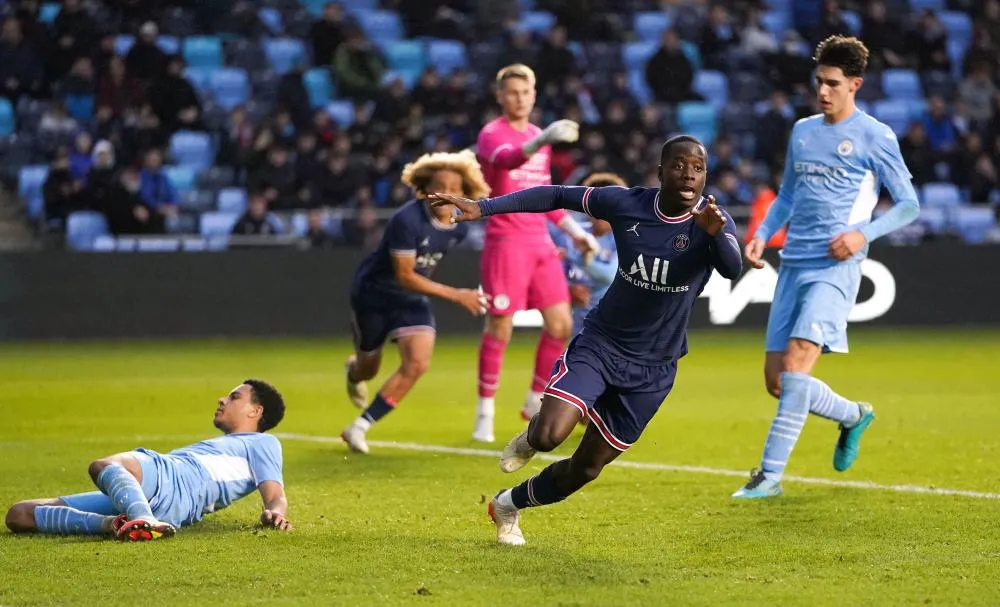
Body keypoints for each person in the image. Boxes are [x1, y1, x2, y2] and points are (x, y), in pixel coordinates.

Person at [430, 135, 743, 545]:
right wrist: (484, 207)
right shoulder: (627, 203)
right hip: (603, 343)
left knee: (586, 468)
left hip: (654, 368)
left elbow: (732, 268)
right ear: (661, 171)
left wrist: (717, 234)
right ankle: (530, 436)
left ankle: (507, 505)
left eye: (698, 168)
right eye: (680, 165)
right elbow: (557, 194)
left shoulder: (712, 220)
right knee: (547, 436)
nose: (689, 175)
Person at [734, 36, 920, 499]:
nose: (824, 91)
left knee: (799, 361)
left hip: (838, 265)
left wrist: (863, 234)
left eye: (834, 84)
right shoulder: (803, 131)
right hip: (794, 262)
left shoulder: (875, 135)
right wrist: (760, 233)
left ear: (854, 84)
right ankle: (853, 415)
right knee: (779, 382)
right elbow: (788, 197)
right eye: (819, 82)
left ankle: (769, 476)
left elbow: (909, 205)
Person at [474, 63, 598, 443]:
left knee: (561, 326)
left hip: (539, 243)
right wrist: (540, 139)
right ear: (500, 96)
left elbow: (545, 195)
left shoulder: (536, 137)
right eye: (512, 92)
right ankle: (484, 412)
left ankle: (533, 402)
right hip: (505, 240)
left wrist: (576, 232)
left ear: (534, 94)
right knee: (501, 327)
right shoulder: (492, 135)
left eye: (525, 92)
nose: (519, 98)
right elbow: (508, 160)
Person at [4, 380, 290, 541]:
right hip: (162, 499)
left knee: (105, 465)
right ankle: (117, 524)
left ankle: (143, 518)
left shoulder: (263, 442)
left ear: (255, 411)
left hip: (176, 481)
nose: (222, 399)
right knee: (20, 514)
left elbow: (276, 495)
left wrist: (274, 513)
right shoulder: (227, 445)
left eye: (234, 396)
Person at [342, 150, 490, 454]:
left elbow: (425, 268)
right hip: (374, 295)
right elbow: (406, 276)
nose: (447, 194)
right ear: (426, 190)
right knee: (368, 370)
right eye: (441, 187)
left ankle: (359, 427)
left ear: (464, 192)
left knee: (418, 363)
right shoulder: (406, 220)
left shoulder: (460, 226)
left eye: (454, 188)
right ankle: (354, 369)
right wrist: (457, 295)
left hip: (411, 300)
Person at [549, 172, 623, 335]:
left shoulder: (626, 237)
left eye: (607, 207)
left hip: (616, 321)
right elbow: (554, 265)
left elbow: (610, 275)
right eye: (596, 206)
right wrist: (568, 288)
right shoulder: (574, 234)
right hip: (579, 319)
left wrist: (577, 257)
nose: (600, 214)